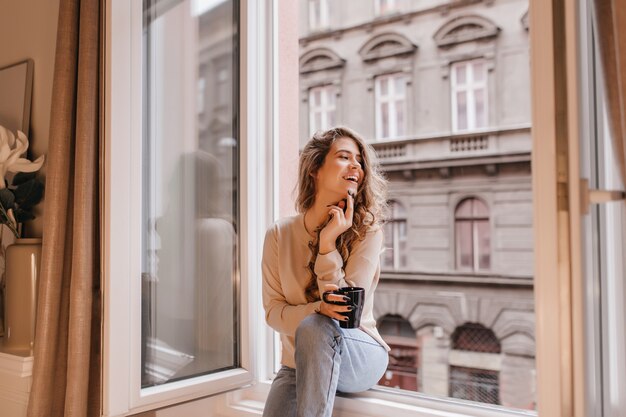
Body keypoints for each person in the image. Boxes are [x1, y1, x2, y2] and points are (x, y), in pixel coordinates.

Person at [262, 127, 391, 417]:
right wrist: (318, 308)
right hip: (298, 362)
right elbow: (273, 312)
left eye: (359, 160)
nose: (356, 165)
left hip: (359, 352)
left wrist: (327, 244)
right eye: (344, 157)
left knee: (315, 326)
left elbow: (346, 312)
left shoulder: (368, 232)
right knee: (313, 326)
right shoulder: (279, 235)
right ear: (315, 170)